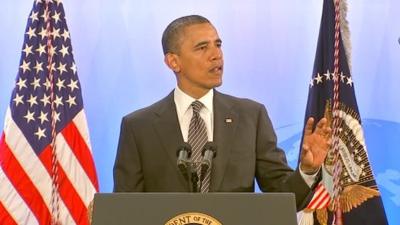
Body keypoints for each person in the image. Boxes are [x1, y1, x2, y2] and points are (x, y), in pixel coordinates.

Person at [113, 15, 331, 209]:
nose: (216, 55)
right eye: (202, 47)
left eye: (218, 45)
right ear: (173, 61)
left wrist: (307, 170)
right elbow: (125, 208)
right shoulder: (138, 127)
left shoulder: (251, 116)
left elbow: (282, 196)